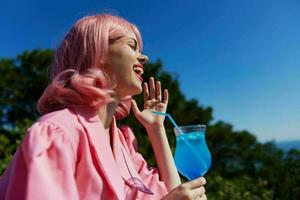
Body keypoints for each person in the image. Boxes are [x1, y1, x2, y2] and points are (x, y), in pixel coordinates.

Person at [0, 14, 207, 200]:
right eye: (132, 45)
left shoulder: (124, 144)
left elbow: (169, 194)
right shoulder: (58, 132)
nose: (144, 57)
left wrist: (156, 129)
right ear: (97, 53)